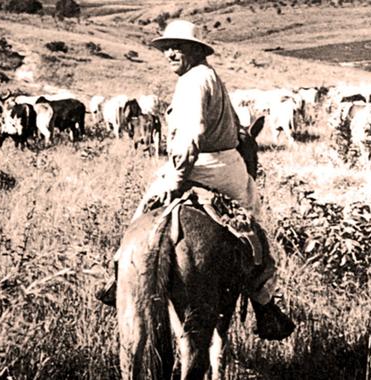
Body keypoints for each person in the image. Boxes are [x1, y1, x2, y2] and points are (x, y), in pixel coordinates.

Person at [96, 19, 294, 341]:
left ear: (195, 50)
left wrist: (177, 176)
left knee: (144, 209)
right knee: (254, 231)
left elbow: (192, 133)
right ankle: (265, 303)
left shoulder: (193, 81)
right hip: (226, 167)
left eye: (178, 47)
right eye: (167, 48)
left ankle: (120, 275)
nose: (171, 53)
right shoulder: (210, 77)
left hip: (198, 165)